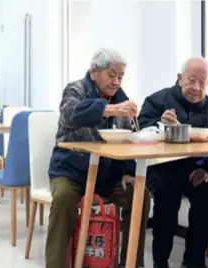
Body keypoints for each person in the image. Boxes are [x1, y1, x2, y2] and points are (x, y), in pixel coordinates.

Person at [46, 48, 149, 268]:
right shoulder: (76, 90)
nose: (116, 82)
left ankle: (131, 263)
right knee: (63, 198)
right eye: (111, 75)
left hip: (107, 174)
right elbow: (70, 113)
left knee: (140, 195)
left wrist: (128, 171)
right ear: (94, 72)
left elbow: (129, 138)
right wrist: (109, 109)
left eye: (120, 77)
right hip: (70, 170)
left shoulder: (120, 97)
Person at [138, 57, 208, 268]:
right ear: (180, 78)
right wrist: (162, 126)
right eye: (191, 80)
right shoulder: (157, 101)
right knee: (168, 194)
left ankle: (194, 261)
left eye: (202, 82)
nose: (196, 88)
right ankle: (161, 261)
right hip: (161, 167)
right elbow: (141, 131)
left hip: (195, 168)